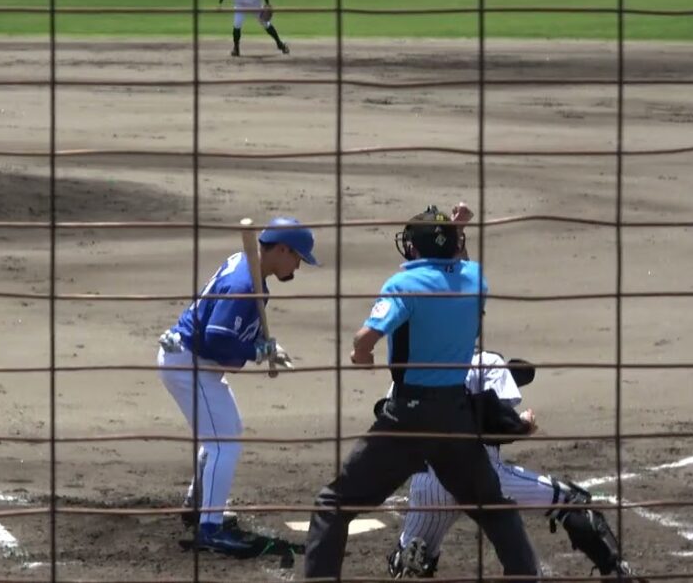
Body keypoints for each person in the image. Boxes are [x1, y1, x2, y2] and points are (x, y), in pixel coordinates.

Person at [303, 205, 539, 581]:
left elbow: (367, 336)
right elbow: (455, 265)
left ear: (413, 249)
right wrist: (454, 231)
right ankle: (525, 575)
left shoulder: (404, 285)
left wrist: (360, 355)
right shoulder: (476, 280)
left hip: (407, 420)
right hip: (455, 418)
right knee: (494, 508)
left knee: (333, 504)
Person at [386, 350, 646, 580]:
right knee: (572, 503)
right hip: (483, 477)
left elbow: (391, 421)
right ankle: (617, 573)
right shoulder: (487, 361)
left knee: (411, 559)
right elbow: (498, 422)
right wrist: (523, 425)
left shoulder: (417, 366)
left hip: (429, 484)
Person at [158, 217, 316, 554]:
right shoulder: (245, 284)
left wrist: (265, 344)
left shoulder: (247, 266)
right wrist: (256, 351)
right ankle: (210, 529)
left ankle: (197, 501)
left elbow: (233, 327)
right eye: (298, 257)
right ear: (283, 249)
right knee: (224, 442)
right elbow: (216, 339)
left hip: (190, 361)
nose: (298, 266)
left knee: (224, 432)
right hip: (189, 363)